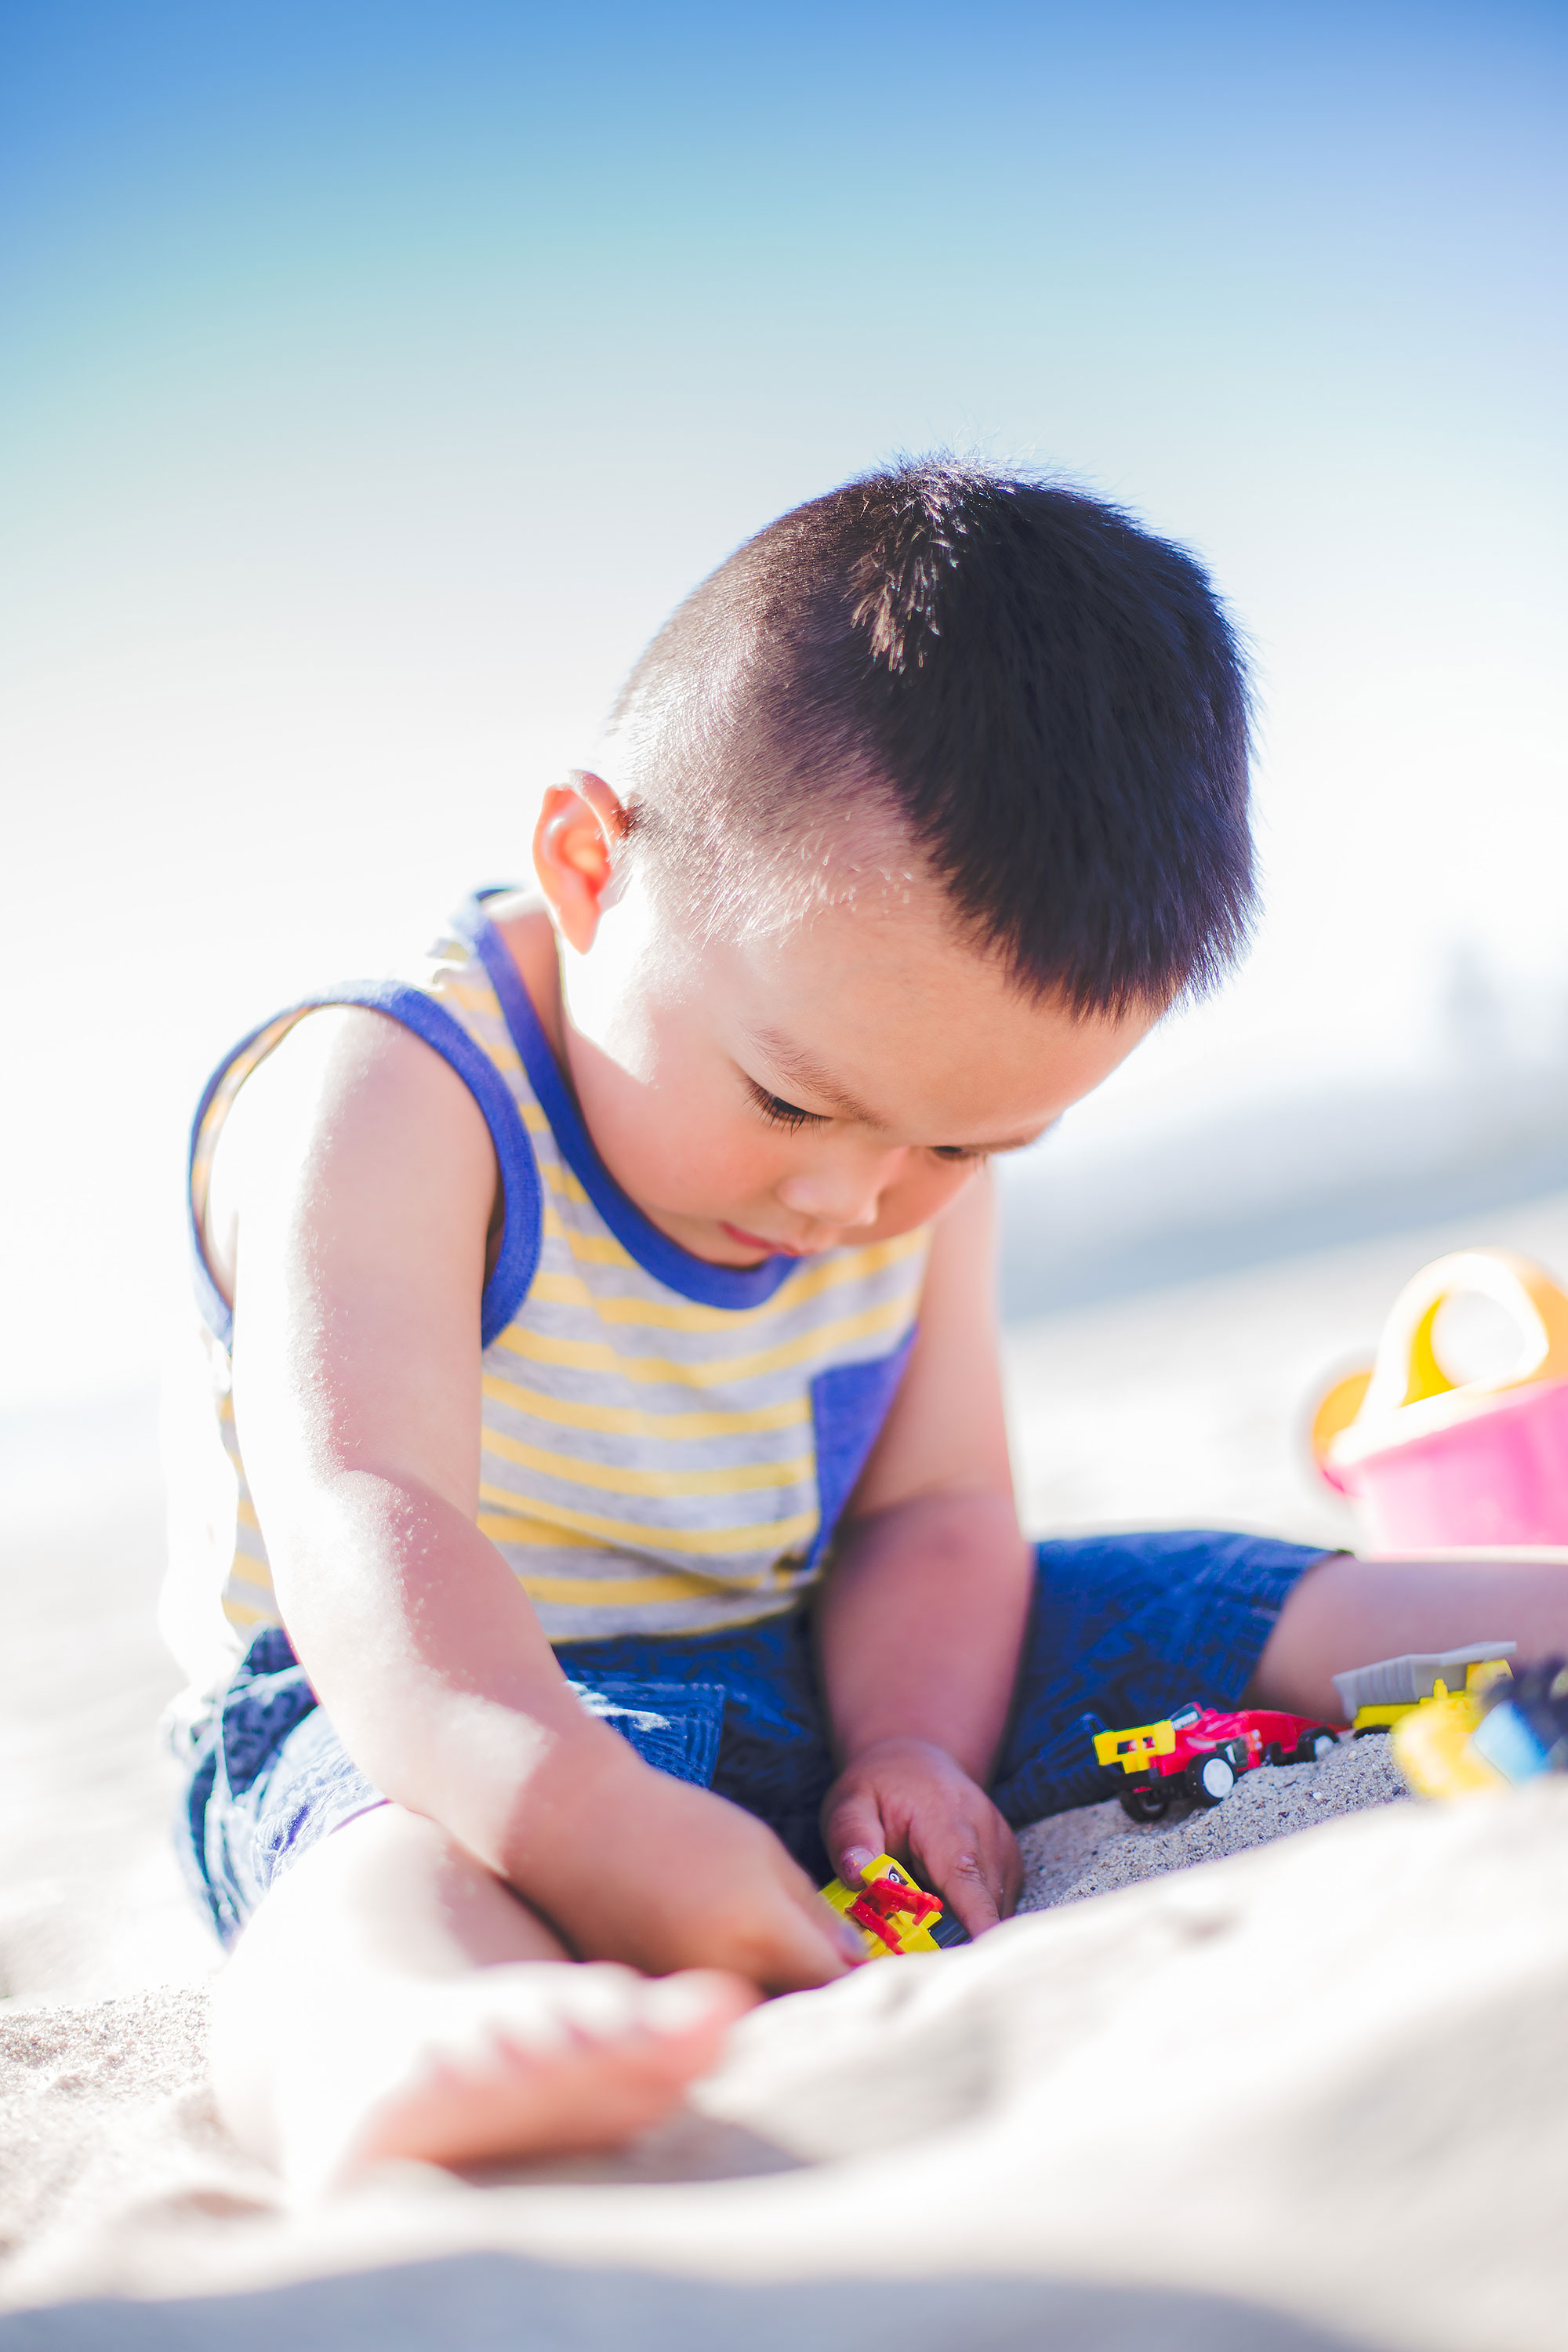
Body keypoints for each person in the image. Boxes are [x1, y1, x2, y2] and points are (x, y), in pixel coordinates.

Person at [165, 459, 1568, 2191]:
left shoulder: (898, 1148)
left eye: (968, 1145)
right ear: (588, 863)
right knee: (370, 1860)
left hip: (822, 1651)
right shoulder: (394, 1090)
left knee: (1192, 1598)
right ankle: (395, 2047)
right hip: (436, 1696)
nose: (854, 1202)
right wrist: (576, 1812)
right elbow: (368, 1520)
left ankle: (1529, 1617)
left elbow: (936, 1515)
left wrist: (909, 1740)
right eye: (788, 1101)